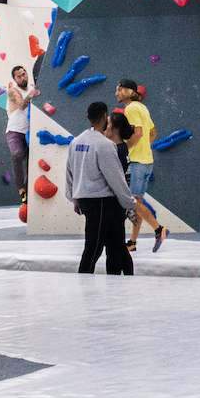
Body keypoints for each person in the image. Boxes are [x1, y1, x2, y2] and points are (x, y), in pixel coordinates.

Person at [66, 101, 134, 276]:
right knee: (95, 246)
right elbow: (115, 178)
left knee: (114, 245)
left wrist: (74, 198)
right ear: (104, 116)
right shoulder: (104, 145)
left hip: (85, 199)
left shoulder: (75, 142)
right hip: (102, 201)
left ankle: (117, 278)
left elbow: (69, 173)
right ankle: (84, 279)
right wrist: (129, 203)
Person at [115, 78, 168, 253]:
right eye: (117, 89)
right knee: (136, 202)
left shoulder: (131, 108)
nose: (117, 92)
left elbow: (137, 133)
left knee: (132, 202)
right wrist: (145, 146)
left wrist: (124, 149)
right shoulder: (142, 108)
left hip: (137, 162)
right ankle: (132, 242)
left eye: (121, 89)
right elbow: (153, 132)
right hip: (147, 162)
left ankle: (159, 229)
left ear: (131, 92)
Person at [5, 65, 37, 202]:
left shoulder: (32, 87)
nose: (23, 77)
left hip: (30, 131)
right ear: (15, 79)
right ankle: (21, 189)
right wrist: (31, 95)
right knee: (17, 154)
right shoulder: (13, 91)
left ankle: (27, 192)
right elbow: (22, 105)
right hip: (15, 131)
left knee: (32, 162)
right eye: (19, 76)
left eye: (24, 74)